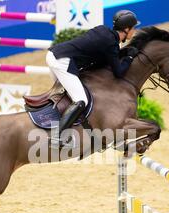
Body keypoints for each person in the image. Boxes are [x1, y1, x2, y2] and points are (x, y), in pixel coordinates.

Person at [47, 10, 141, 148]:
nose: (135, 31)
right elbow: (119, 72)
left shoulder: (104, 31)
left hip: (54, 54)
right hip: (62, 61)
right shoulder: (111, 43)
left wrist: (123, 52)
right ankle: (56, 137)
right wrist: (130, 57)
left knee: (69, 95)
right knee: (81, 100)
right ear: (126, 29)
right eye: (134, 28)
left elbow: (105, 58)